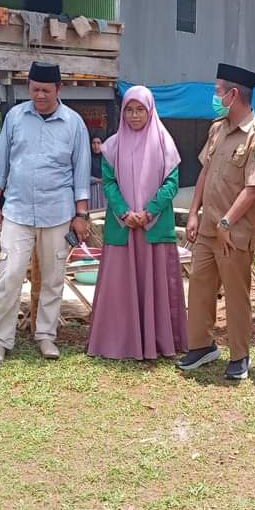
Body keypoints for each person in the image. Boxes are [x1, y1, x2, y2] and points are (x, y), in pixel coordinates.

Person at [0, 61, 92, 364]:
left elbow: (80, 172)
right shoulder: (15, 118)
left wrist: (81, 214)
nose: (40, 95)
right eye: (34, 89)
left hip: (58, 212)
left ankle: (46, 335)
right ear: (28, 88)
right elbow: (0, 164)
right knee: (9, 276)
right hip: (17, 211)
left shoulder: (74, 124)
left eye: (46, 90)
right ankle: (0, 340)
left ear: (59, 89)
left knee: (53, 278)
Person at [176, 63, 255, 380]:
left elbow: (254, 187)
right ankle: (202, 346)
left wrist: (228, 222)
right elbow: (205, 171)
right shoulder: (217, 128)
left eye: (218, 90)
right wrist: (193, 212)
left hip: (234, 231)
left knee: (235, 293)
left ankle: (239, 354)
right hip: (208, 227)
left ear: (233, 94)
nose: (214, 96)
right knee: (200, 287)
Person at [87, 86, 186, 360]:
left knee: (155, 284)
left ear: (150, 110)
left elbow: (171, 183)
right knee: (120, 287)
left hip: (153, 228)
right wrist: (124, 213)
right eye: (129, 110)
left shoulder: (165, 143)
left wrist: (148, 212)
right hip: (123, 227)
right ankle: (120, 341)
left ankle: (157, 340)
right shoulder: (112, 146)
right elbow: (108, 183)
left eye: (140, 109)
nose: (134, 115)